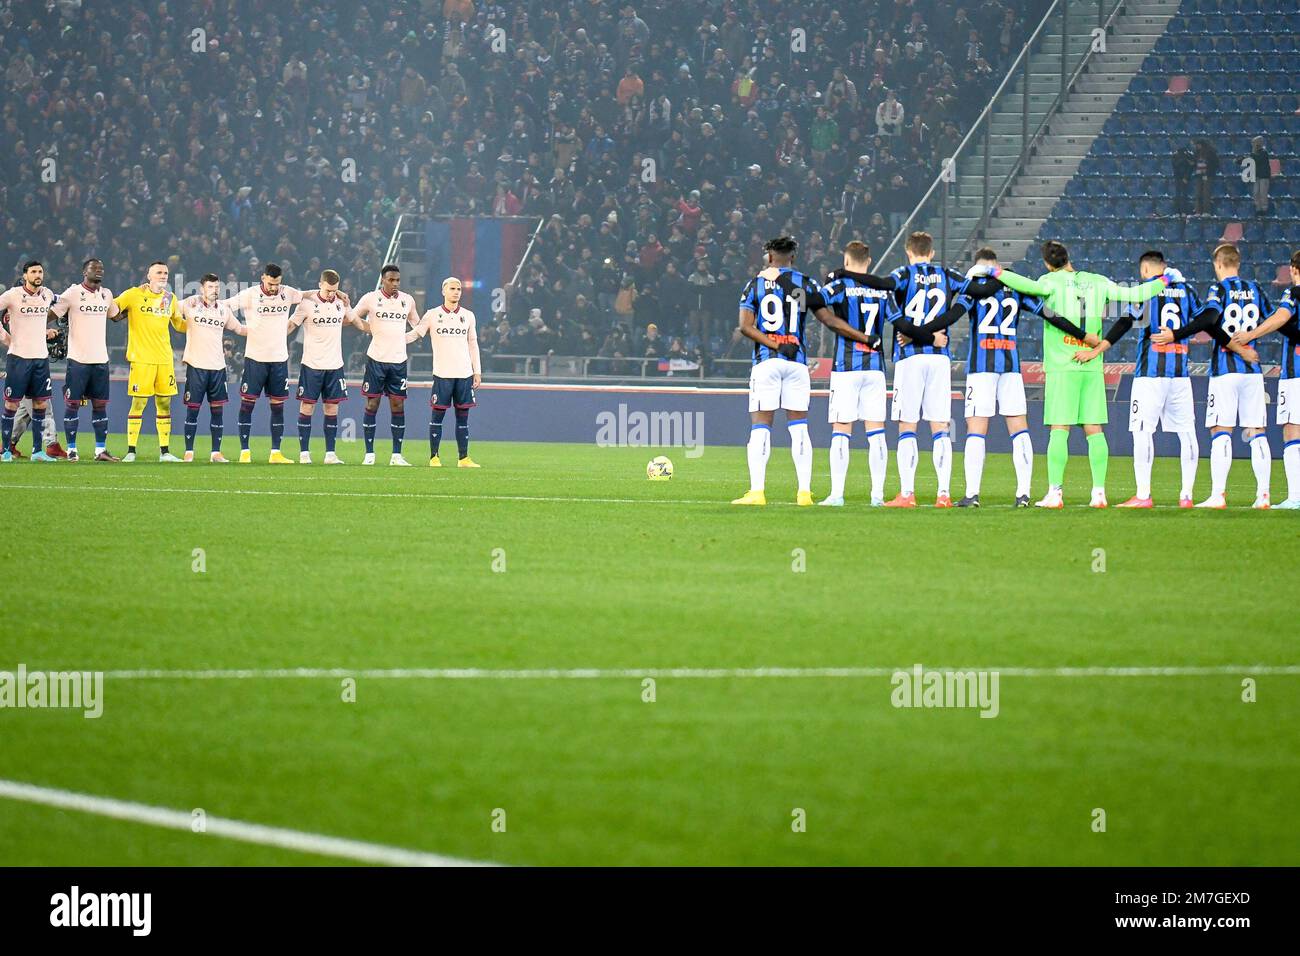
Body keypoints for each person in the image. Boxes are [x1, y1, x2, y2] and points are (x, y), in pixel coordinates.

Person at [978, 240, 1169, 508]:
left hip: (1063, 364)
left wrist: (994, 272)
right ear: (1069, 258)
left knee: (1060, 428)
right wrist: (1165, 280)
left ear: (1047, 263)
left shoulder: (1048, 281)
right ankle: (1099, 493)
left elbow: (1025, 285)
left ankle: (1055, 493)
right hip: (1091, 364)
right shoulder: (1097, 281)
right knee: (1094, 429)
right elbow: (1135, 295)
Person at [732, 236, 880, 506]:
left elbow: (745, 326)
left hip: (768, 360)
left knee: (761, 426)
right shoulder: (806, 283)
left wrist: (774, 343)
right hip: (797, 362)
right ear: (793, 257)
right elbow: (829, 320)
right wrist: (864, 336)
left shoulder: (755, 283)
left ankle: (757, 492)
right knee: (799, 427)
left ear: (769, 257)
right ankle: (803, 493)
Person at [113, 261, 187, 462]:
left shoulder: (170, 298)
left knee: (164, 403)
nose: (163, 275)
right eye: (159, 272)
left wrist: (200, 325)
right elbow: (113, 309)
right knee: (139, 403)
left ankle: (165, 452)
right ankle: (131, 451)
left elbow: (179, 324)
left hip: (164, 359)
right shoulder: (133, 294)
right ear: (149, 275)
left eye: (165, 273)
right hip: (142, 359)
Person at [50, 258, 120, 461]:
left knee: (100, 405)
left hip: (100, 360)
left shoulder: (107, 294)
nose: (99, 271)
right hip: (78, 360)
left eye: (101, 268)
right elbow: (52, 314)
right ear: (84, 272)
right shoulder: (72, 293)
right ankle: (72, 450)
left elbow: (116, 315)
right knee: (72, 404)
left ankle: (100, 451)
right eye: (94, 268)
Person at [408, 277, 482, 468]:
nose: (456, 292)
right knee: (437, 417)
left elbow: (473, 344)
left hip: (464, 374)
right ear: (443, 291)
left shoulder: (469, 315)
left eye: (458, 289)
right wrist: (395, 339)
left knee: (463, 417)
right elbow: (417, 333)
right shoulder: (432, 315)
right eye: (452, 288)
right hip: (442, 374)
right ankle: (434, 457)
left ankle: (463, 458)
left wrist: (477, 371)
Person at [178, 274, 248, 462]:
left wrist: (262, 330)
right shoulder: (190, 304)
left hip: (218, 368)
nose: (214, 290)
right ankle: (189, 452)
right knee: (193, 410)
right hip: (196, 366)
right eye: (210, 287)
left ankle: (215, 452)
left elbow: (240, 329)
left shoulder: (223, 310)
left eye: (217, 287)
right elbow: (168, 308)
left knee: (217, 411)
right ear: (202, 289)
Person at [0, 261, 60, 462]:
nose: (38, 275)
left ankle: (37, 452)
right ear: (25, 275)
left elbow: (63, 304)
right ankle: (6, 450)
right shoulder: (12, 295)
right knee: (11, 405)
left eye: (40, 271)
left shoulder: (48, 294)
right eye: (33, 271)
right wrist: (4, 337)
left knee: (41, 403)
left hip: (41, 359)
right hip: (18, 358)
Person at [1193, 138, 1219, 218]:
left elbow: (1215, 163)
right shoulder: (1196, 153)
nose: (1197, 146)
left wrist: (1208, 173)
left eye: (1198, 145)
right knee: (1198, 194)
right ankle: (1198, 211)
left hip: (1207, 175)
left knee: (1206, 194)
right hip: (1199, 175)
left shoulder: (1210, 152)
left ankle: (1206, 211)